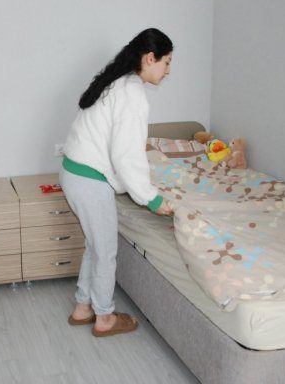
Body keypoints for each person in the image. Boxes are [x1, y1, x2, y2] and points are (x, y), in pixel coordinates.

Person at [60, 28, 174, 338]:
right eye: (166, 62)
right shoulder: (131, 94)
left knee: (95, 246)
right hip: (89, 181)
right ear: (150, 58)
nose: (168, 71)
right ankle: (105, 317)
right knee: (106, 252)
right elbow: (126, 156)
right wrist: (151, 198)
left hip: (74, 173)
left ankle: (83, 307)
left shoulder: (117, 82)